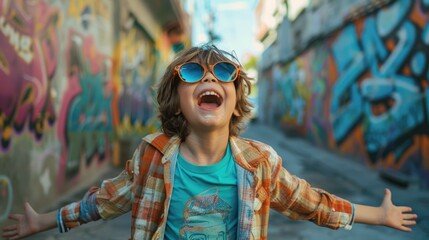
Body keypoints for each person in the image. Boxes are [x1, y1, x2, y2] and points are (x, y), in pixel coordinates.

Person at [2, 44, 418, 240]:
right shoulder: (153, 155)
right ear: (176, 100)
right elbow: (105, 200)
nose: (208, 78)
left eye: (223, 73)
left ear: (235, 98)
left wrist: (375, 216)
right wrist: (46, 220)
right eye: (192, 74)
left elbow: (312, 202)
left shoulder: (260, 163)